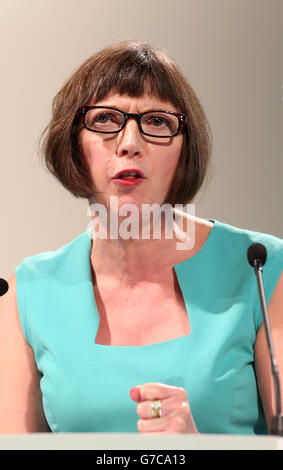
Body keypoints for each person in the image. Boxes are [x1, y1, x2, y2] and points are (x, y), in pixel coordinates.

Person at [0, 40, 282, 435]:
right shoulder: (24, 295)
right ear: (74, 146)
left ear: (185, 152)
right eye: (104, 120)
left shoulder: (263, 269)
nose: (130, 143)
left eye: (157, 122)